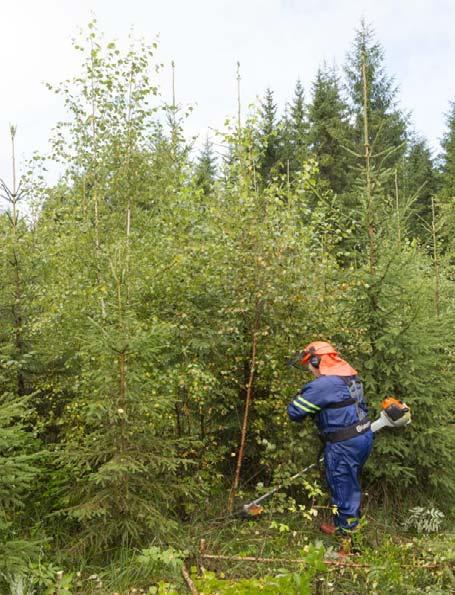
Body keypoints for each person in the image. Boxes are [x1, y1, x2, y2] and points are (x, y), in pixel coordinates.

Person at [287, 341, 373, 536]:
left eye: (310, 366)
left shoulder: (325, 384)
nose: (311, 371)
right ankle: (344, 526)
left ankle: (347, 543)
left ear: (317, 361)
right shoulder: (350, 376)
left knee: (343, 488)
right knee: (349, 484)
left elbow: (294, 412)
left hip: (344, 443)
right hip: (362, 437)